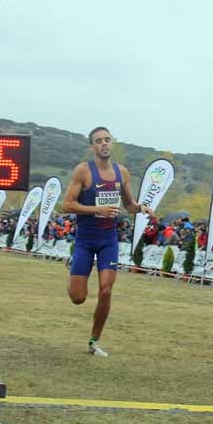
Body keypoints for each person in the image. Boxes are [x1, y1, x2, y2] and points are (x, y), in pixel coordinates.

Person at [63, 126, 154, 357]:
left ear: (111, 143)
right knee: (78, 298)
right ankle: (73, 266)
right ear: (92, 146)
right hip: (84, 239)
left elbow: (129, 203)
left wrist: (141, 208)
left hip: (108, 240)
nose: (104, 144)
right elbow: (68, 204)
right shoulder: (83, 171)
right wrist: (97, 209)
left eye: (107, 140)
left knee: (105, 290)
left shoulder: (121, 172)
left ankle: (94, 341)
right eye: (98, 141)